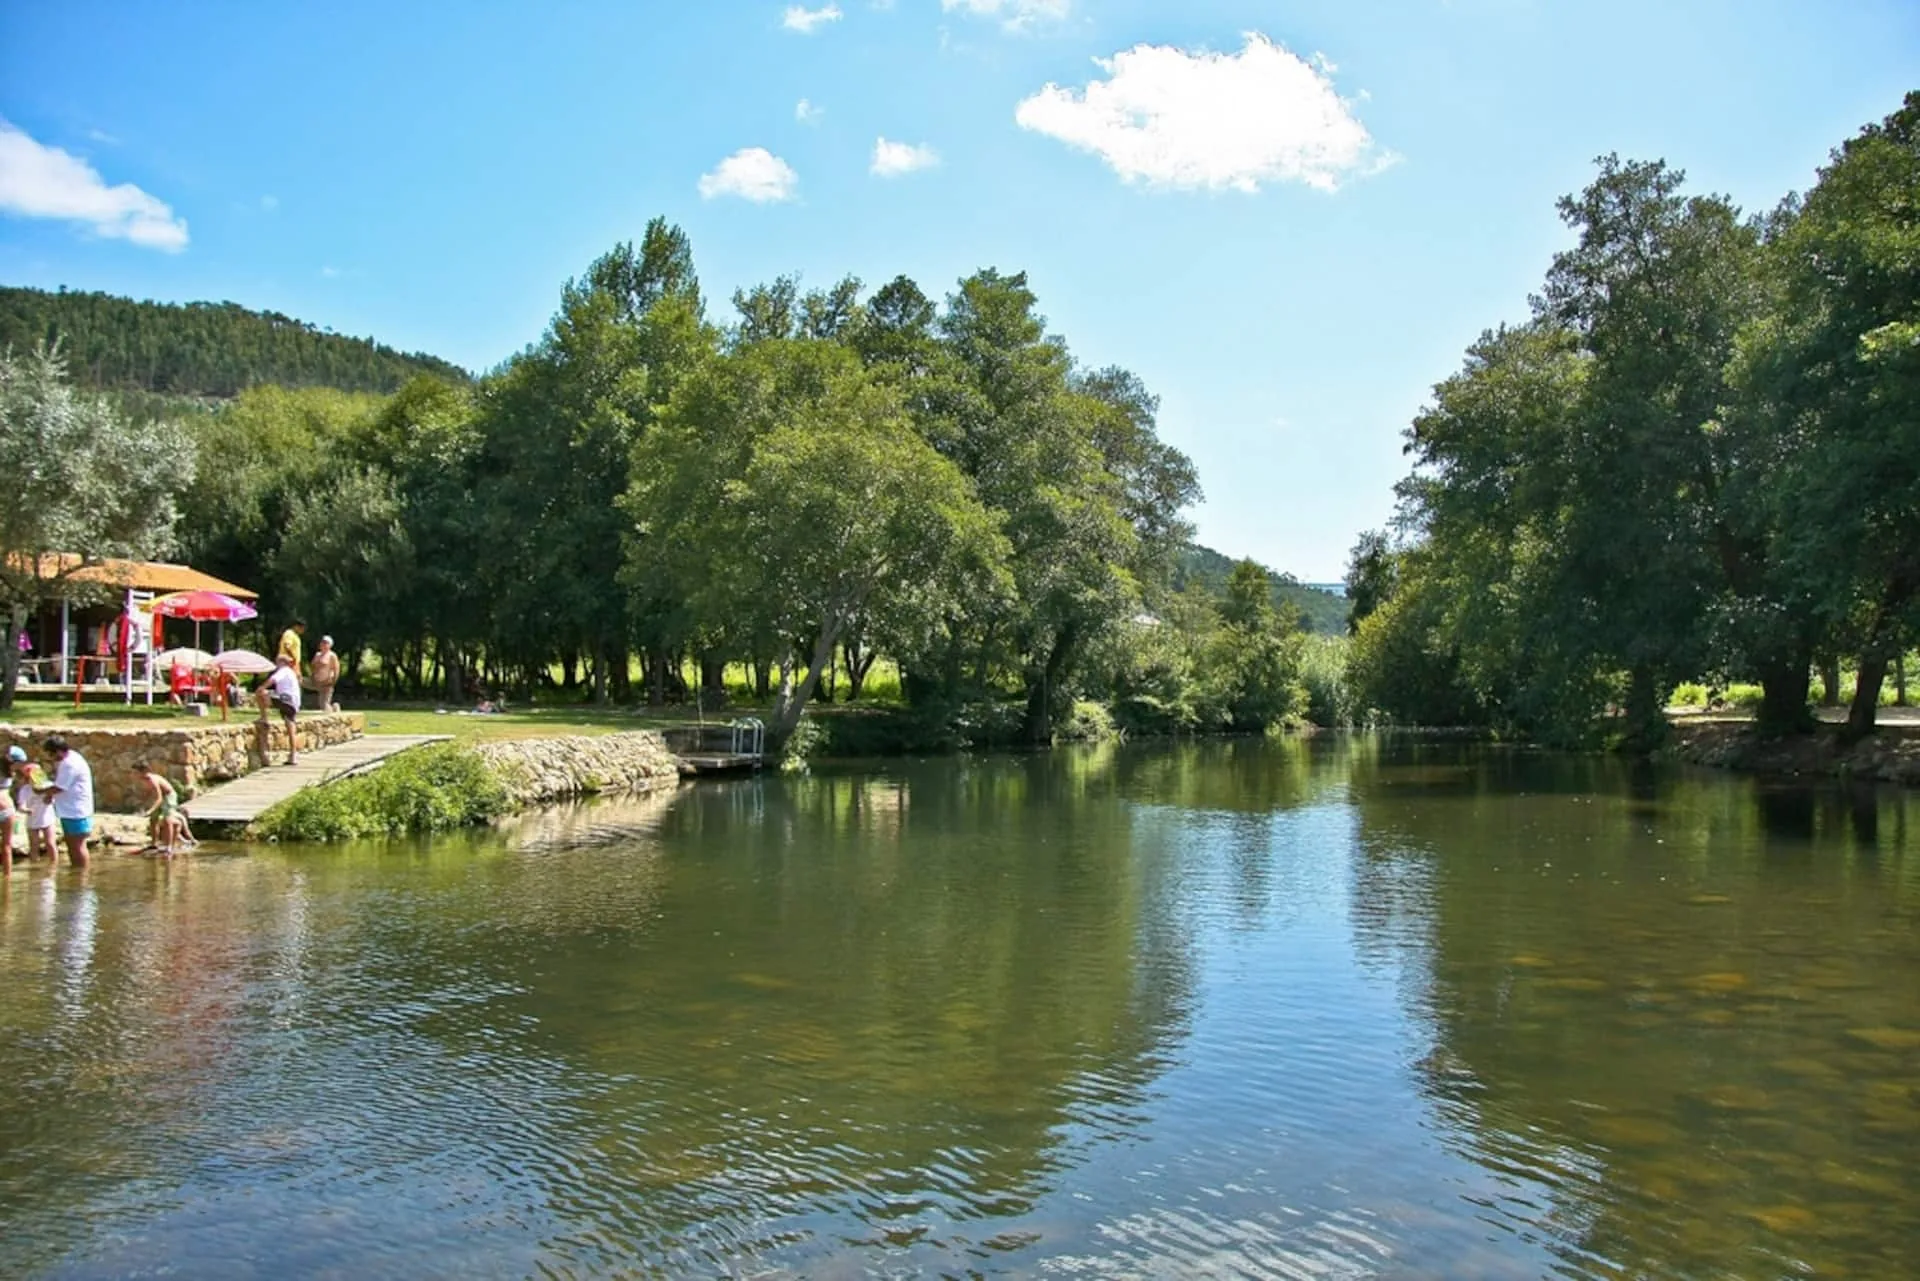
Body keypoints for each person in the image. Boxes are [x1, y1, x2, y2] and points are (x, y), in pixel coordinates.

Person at [40, 735, 94, 867]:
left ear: (57, 751)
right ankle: (76, 873)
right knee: (72, 845)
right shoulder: (70, 758)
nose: (51, 758)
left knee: (77, 845)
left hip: (76, 811)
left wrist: (41, 790)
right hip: (70, 810)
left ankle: (82, 876)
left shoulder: (70, 764)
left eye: (51, 754)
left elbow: (59, 787)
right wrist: (50, 795)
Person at [11, 746, 57, 862]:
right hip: (32, 821)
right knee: (34, 845)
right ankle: (34, 868)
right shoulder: (25, 790)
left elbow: (55, 797)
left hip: (48, 819)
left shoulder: (48, 785)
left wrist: (50, 797)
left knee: (50, 843)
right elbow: (21, 806)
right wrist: (26, 810)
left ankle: (53, 865)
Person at [133, 761, 187, 856]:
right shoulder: (143, 780)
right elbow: (149, 793)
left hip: (169, 796)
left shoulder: (152, 779)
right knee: (153, 820)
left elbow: (159, 798)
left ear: (143, 772)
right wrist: (143, 804)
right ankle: (154, 844)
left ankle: (169, 847)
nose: (133, 774)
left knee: (167, 820)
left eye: (135, 772)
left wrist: (150, 810)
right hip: (161, 797)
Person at [259, 654, 302, 766]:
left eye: (277, 662)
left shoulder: (284, 670)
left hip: (285, 699)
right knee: (290, 727)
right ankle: (293, 755)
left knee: (260, 693)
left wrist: (262, 687)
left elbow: (273, 680)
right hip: (294, 704)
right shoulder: (291, 672)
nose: (276, 664)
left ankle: (264, 718)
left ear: (281, 662)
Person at [311, 634, 340, 713]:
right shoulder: (317, 655)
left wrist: (333, 681)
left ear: (330, 645)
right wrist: (313, 677)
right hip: (316, 682)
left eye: (325, 643)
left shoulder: (332, 655)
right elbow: (313, 667)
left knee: (324, 706)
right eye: (322, 642)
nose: (323, 644)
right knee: (300, 681)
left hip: (327, 683)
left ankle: (335, 707)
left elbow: (336, 669)